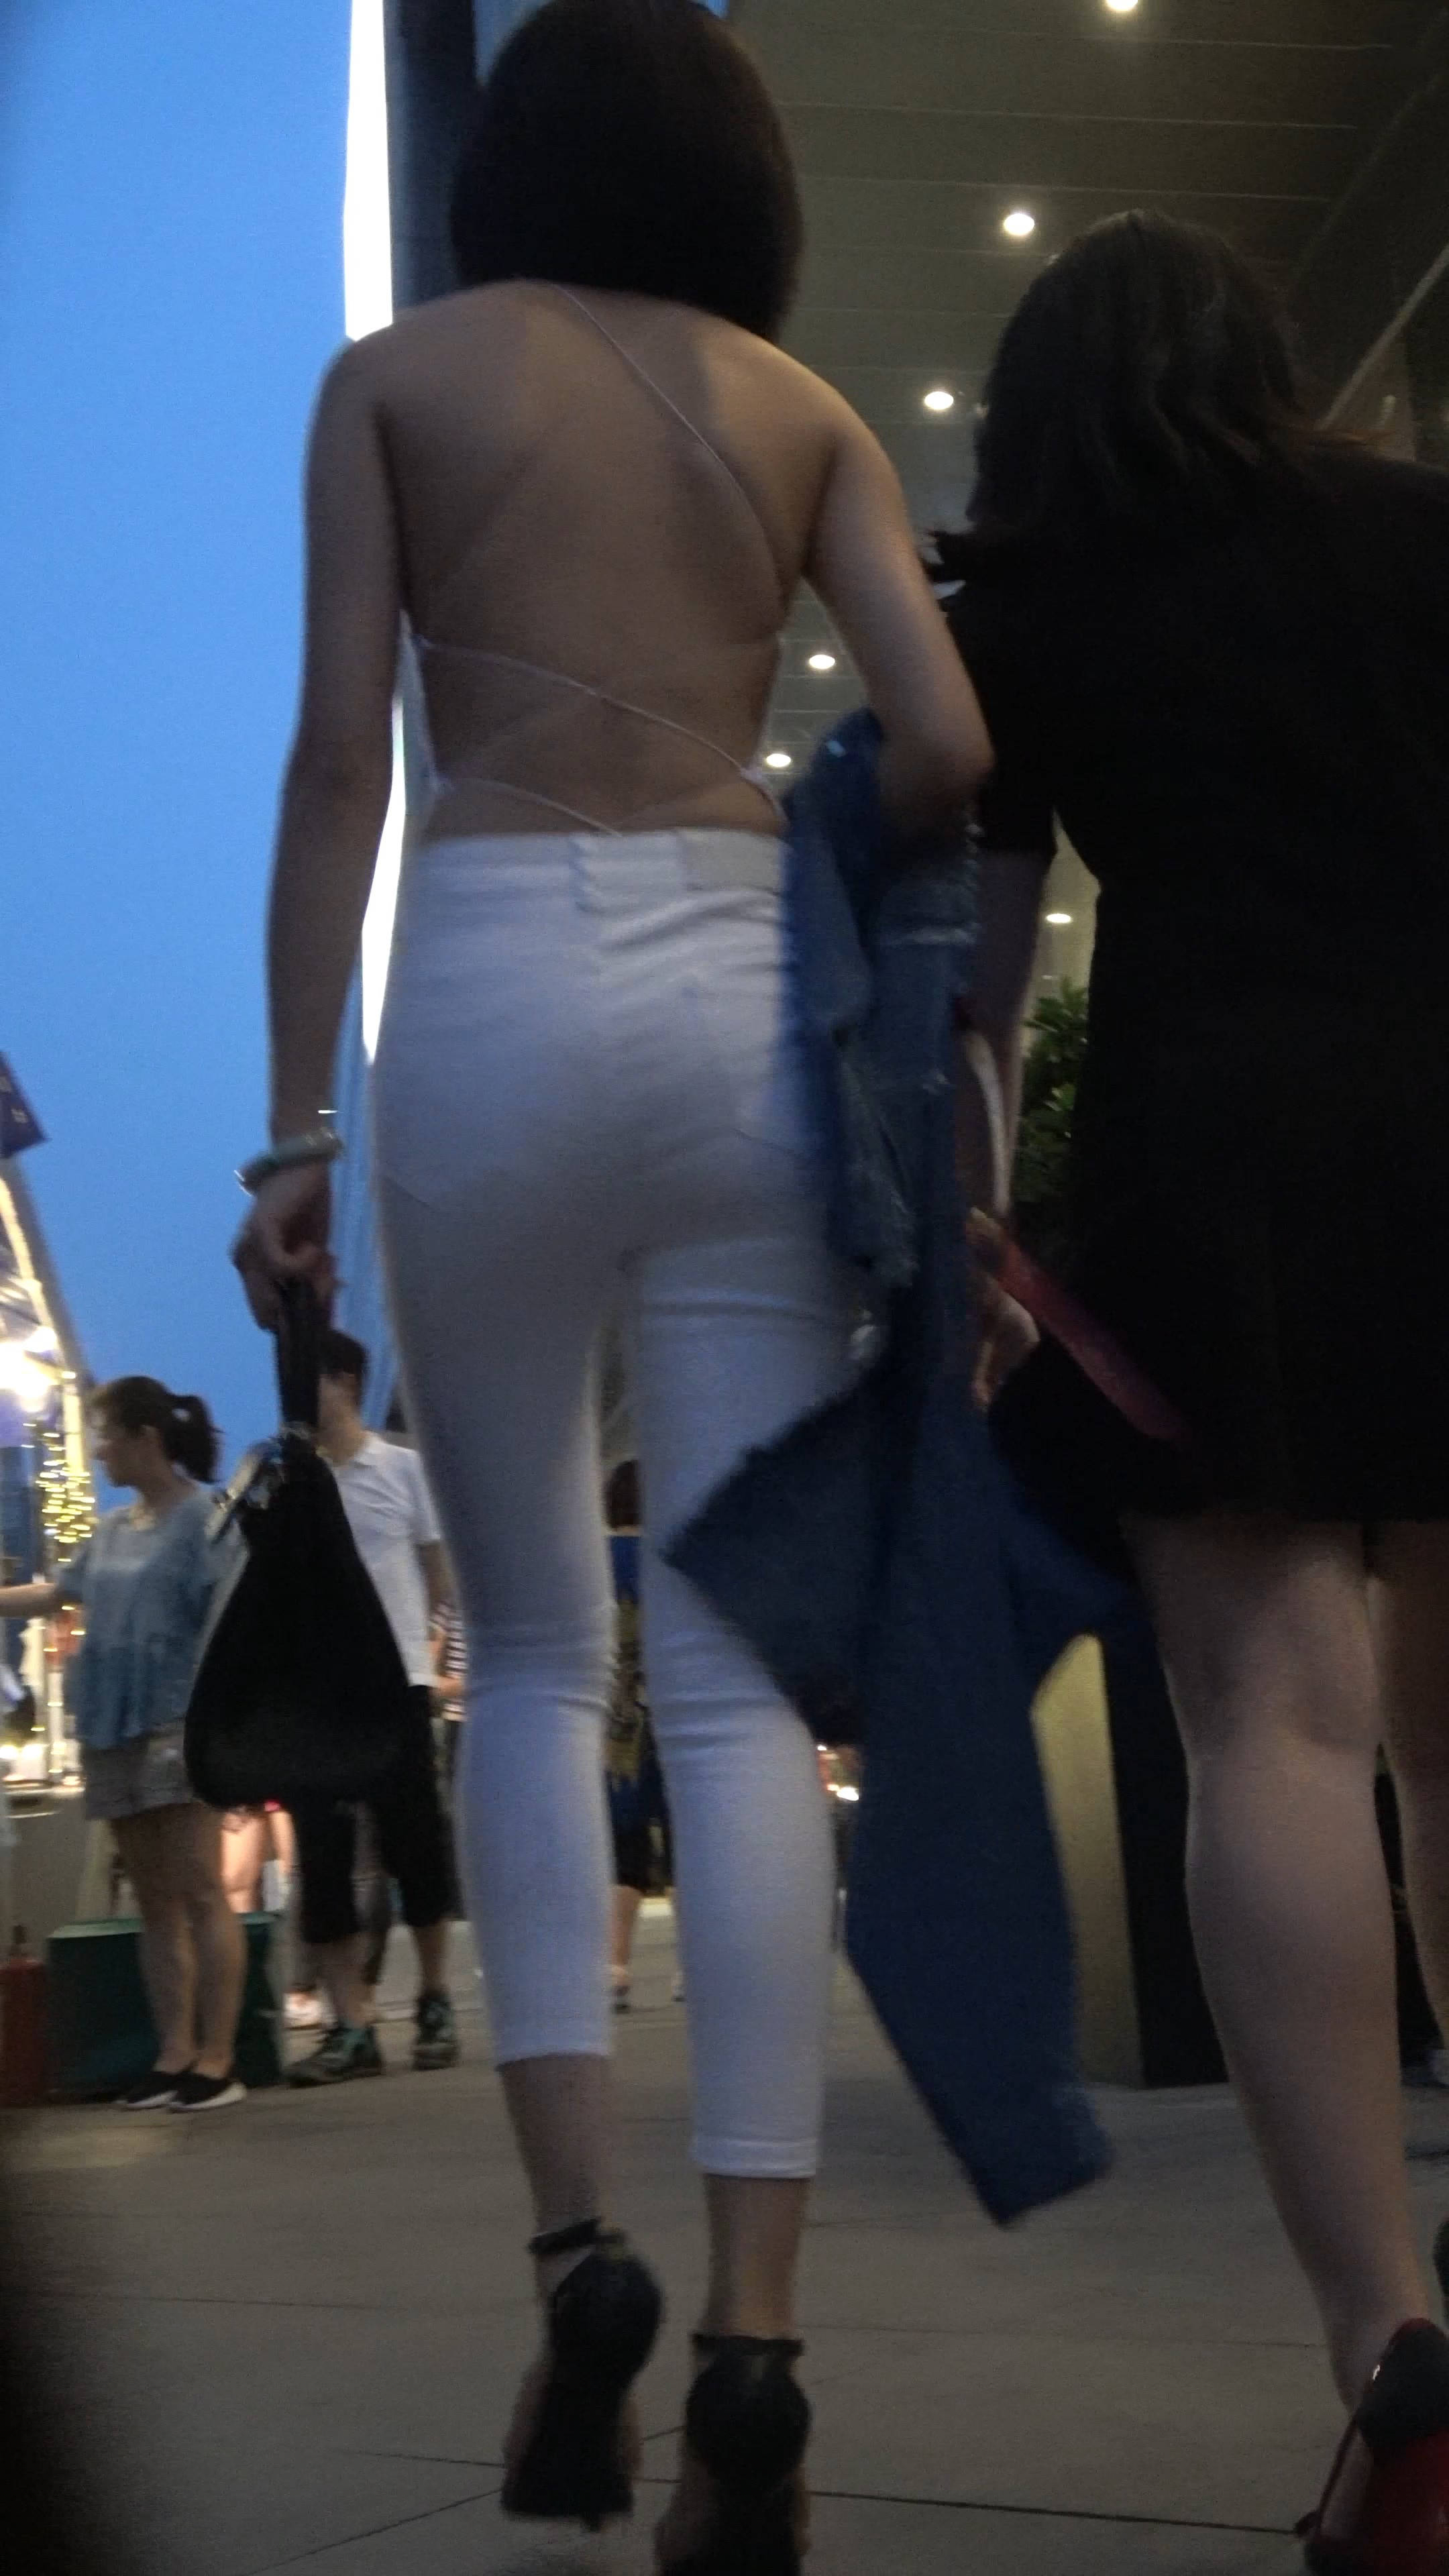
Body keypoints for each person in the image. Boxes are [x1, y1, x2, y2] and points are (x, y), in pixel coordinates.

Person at [231, 1, 988, 2563]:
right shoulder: (804, 412)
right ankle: (759, 2342)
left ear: (511, 169)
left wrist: (294, 1130)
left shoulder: (391, 387)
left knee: (542, 1656)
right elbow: (948, 740)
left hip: (482, 981)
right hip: (732, 975)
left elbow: (340, 759)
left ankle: (580, 2259)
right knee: (741, 1683)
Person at [943, 209, 1449, 2569]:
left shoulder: (1040, 603)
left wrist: (969, 1234)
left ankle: (1392, 2356)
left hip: (1208, 1158)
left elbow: (979, 987)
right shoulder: (1418, 531)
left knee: (1277, 1721)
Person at [0, 1377, 245, 2110]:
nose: (100, 1450)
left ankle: (218, 2057)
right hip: (113, 1723)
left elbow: (228, 1620)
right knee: (154, 1897)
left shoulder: (205, 1519)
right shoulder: (111, 1529)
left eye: (107, 1435)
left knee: (201, 1887)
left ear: (146, 1438)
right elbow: (58, 1593)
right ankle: (174, 2052)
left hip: (177, 1718)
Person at [285, 1329, 460, 2083]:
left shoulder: (403, 1469)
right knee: (321, 1863)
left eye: (310, 1381)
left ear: (347, 1383)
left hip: (396, 1686)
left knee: (415, 1847)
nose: (298, 1399)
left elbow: (438, 1573)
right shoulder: (291, 1480)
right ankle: (352, 2022)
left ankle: (434, 1998)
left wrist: (422, 1652)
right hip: (316, 1696)